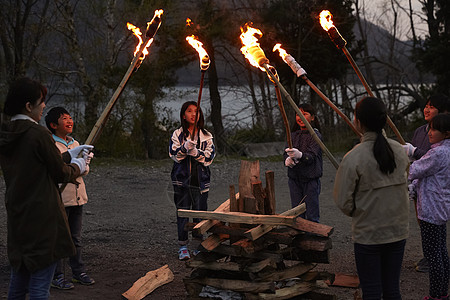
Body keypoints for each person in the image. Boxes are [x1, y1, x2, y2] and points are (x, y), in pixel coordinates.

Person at [0, 78, 93, 299]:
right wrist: (78, 166)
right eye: (41, 101)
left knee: (19, 283)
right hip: (43, 218)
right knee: (40, 288)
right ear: (28, 106)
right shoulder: (37, 133)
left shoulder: (7, 133)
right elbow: (59, 172)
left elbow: (34, 164)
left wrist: (69, 154)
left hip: (19, 214)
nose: (44, 106)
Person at [333, 97, 410, 299]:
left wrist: (360, 211)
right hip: (397, 231)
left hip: (368, 234)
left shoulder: (353, 157)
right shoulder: (400, 151)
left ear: (358, 121)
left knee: (372, 292)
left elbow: (343, 201)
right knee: (392, 289)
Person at [45, 107, 95, 290]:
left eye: (70, 117)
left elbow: (85, 170)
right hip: (61, 198)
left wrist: (85, 162)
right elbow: (55, 168)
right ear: (53, 125)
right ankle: (56, 275)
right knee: (59, 237)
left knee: (75, 237)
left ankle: (78, 271)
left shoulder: (76, 143)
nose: (69, 120)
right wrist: (74, 164)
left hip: (78, 197)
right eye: (64, 118)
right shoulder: (50, 144)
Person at [402, 94, 450, 273]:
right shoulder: (421, 131)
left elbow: (427, 162)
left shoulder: (444, 143)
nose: (427, 109)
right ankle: (430, 256)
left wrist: (413, 152)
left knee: (433, 231)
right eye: (426, 106)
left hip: (434, 195)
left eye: (432, 106)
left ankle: (434, 266)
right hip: (422, 189)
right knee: (423, 223)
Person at [409, 113, 449, 300]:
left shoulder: (437, 153)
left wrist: (408, 152)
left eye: (434, 129)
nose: (429, 132)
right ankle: (443, 292)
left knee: (433, 255)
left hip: (430, 210)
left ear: (446, 133)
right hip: (441, 209)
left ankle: (435, 296)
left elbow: (415, 169)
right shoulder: (446, 150)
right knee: (441, 251)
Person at [169, 101, 215, 260]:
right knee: (182, 212)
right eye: (189, 111)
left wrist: (195, 151)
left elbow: (209, 158)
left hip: (200, 180)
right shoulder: (177, 134)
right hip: (181, 180)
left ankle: (198, 245)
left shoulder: (206, 136)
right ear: (183, 115)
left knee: (199, 213)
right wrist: (185, 147)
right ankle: (182, 246)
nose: (193, 114)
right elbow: (175, 155)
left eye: (196, 111)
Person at [284, 103, 323, 223]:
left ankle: (313, 237)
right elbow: (285, 152)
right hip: (295, 179)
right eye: (298, 114)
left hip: (310, 179)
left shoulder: (315, 135)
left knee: (311, 212)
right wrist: (287, 159)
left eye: (304, 114)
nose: (300, 117)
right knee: (297, 212)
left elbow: (311, 156)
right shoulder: (293, 135)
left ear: (312, 117)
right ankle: (299, 236)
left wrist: (300, 155)